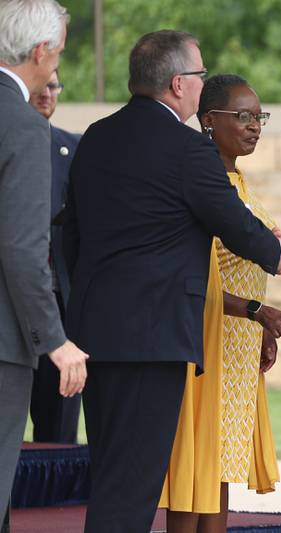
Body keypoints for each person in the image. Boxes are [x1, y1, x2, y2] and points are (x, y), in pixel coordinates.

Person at [63, 31, 281, 533]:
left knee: (111, 473)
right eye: (200, 75)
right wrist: (280, 253)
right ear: (177, 84)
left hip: (95, 332)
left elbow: (71, 235)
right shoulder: (188, 149)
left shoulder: (96, 136)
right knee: (135, 484)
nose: (201, 83)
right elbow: (234, 223)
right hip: (154, 339)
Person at [160, 74, 281, 533]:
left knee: (222, 467)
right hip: (206, 344)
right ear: (207, 121)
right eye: (242, 116)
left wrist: (258, 325)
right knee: (195, 470)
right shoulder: (203, 186)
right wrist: (257, 312)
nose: (254, 126)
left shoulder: (236, 180)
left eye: (258, 116)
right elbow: (196, 279)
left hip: (239, 347)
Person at [0, 0, 88, 525]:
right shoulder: (23, 126)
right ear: (40, 51)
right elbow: (21, 247)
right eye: (57, 54)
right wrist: (55, 340)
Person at [28, 68, 82, 444]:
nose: (47, 93)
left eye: (54, 85)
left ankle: (55, 503)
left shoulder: (74, 148)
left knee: (59, 425)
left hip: (62, 304)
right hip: (13, 303)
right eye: (40, 85)